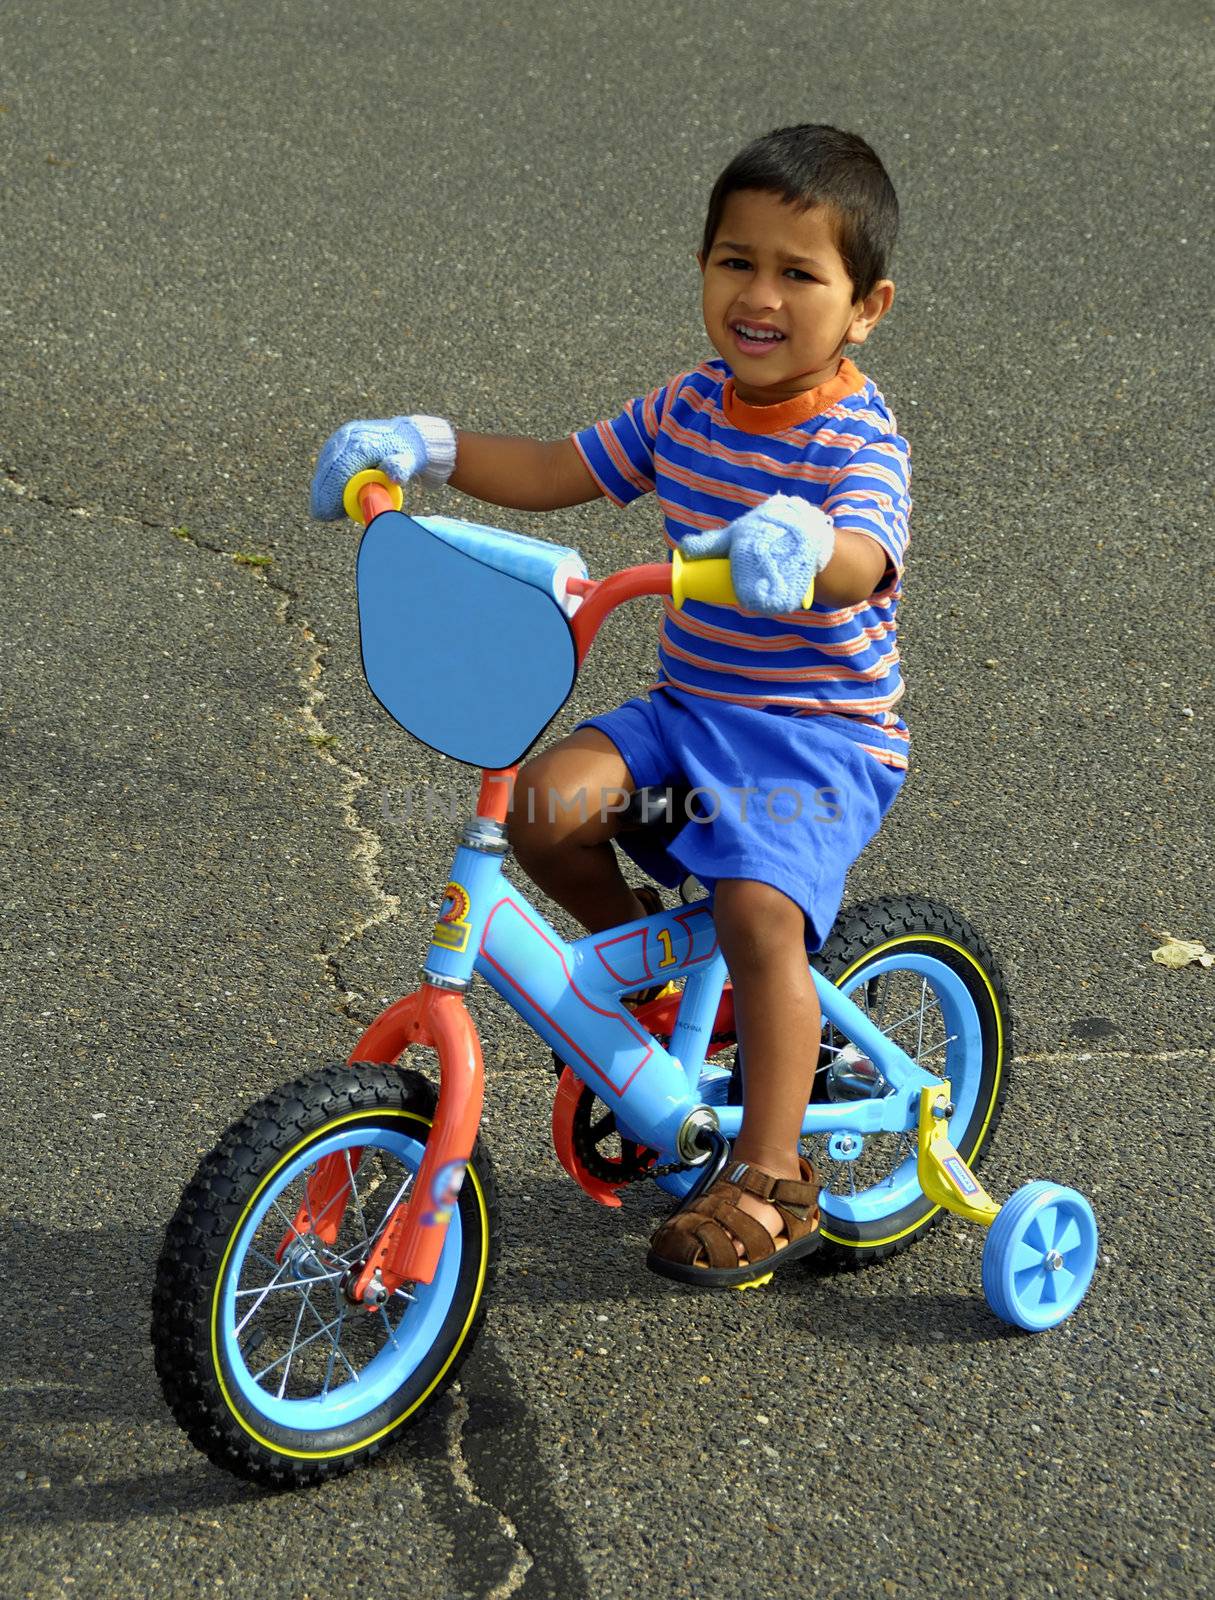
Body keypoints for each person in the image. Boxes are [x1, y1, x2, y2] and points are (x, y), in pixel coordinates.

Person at [310, 124, 910, 1289]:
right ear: (701, 268)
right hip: (691, 714)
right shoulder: (688, 405)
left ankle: (775, 1175)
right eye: (736, 261)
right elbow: (554, 467)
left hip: (815, 739)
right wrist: (419, 448)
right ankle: (648, 980)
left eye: (801, 274)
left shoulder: (856, 436)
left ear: (866, 305)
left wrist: (804, 542)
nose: (762, 295)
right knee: (539, 806)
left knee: (756, 912)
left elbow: (864, 555)